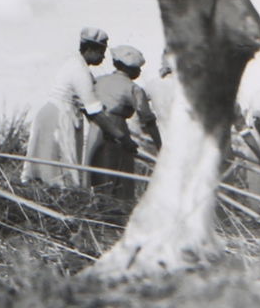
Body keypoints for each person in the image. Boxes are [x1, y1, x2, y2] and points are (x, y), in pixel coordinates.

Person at [24, 27, 125, 188]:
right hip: (58, 117)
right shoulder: (79, 70)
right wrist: (120, 136)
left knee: (51, 169)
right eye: (101, 52)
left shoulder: (77, 64)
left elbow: (87, 109)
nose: (103, 57)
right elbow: (94, 111)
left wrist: (109, 132)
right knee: (58, 171)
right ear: (90, 49)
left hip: (55, 114)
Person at [86, 45, 160, 201]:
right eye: (138, 69)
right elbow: (148, 120)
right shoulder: (133, 88)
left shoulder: (99, 81)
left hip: (95, 126)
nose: (139, 72)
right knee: (118, 176)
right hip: (117, 129)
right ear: (131, 69)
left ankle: (97, 204)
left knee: (97, 173)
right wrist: (160, 146)